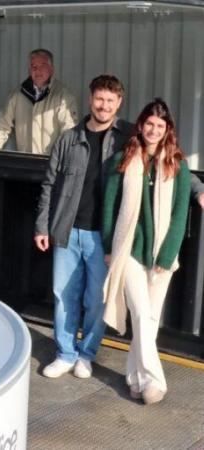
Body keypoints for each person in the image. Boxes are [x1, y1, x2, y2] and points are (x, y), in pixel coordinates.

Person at [35, 74, 131, 379]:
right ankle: (65, 353)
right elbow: (49, 184)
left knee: (95, 300)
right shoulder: (68, 138)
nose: (103, 106)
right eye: (99, 99)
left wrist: (196, 188)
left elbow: (165, 157)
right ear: (91, 99)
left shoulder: (127, 139)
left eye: (110, 101)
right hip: (67, 231)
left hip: (103, 237)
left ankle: (86, 355)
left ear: (119, 103)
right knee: (64, 295)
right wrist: (41, 226)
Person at [102, 99, 191, 405]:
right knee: (140, 314)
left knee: (150, 320)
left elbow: (180, 214)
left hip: (161, 255)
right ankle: (154, 381)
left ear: (168, 130)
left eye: (160, 126)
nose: (154, 130)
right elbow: (110, 208)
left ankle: (134, 379)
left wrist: (167, 257)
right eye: (149, 124)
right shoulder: (122, 160)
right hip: (128, 249)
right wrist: (108, 248)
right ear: (140, 125)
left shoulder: (178, 165)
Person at [0, 49, 78, 155]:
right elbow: (1, 127)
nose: (37, 70)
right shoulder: (17, 95)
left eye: (42, 65)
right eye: (33, 66)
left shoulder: (64, 96)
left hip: (53, 164)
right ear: (29, 70)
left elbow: (68, 131)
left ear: (51, 69)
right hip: (26, 164)